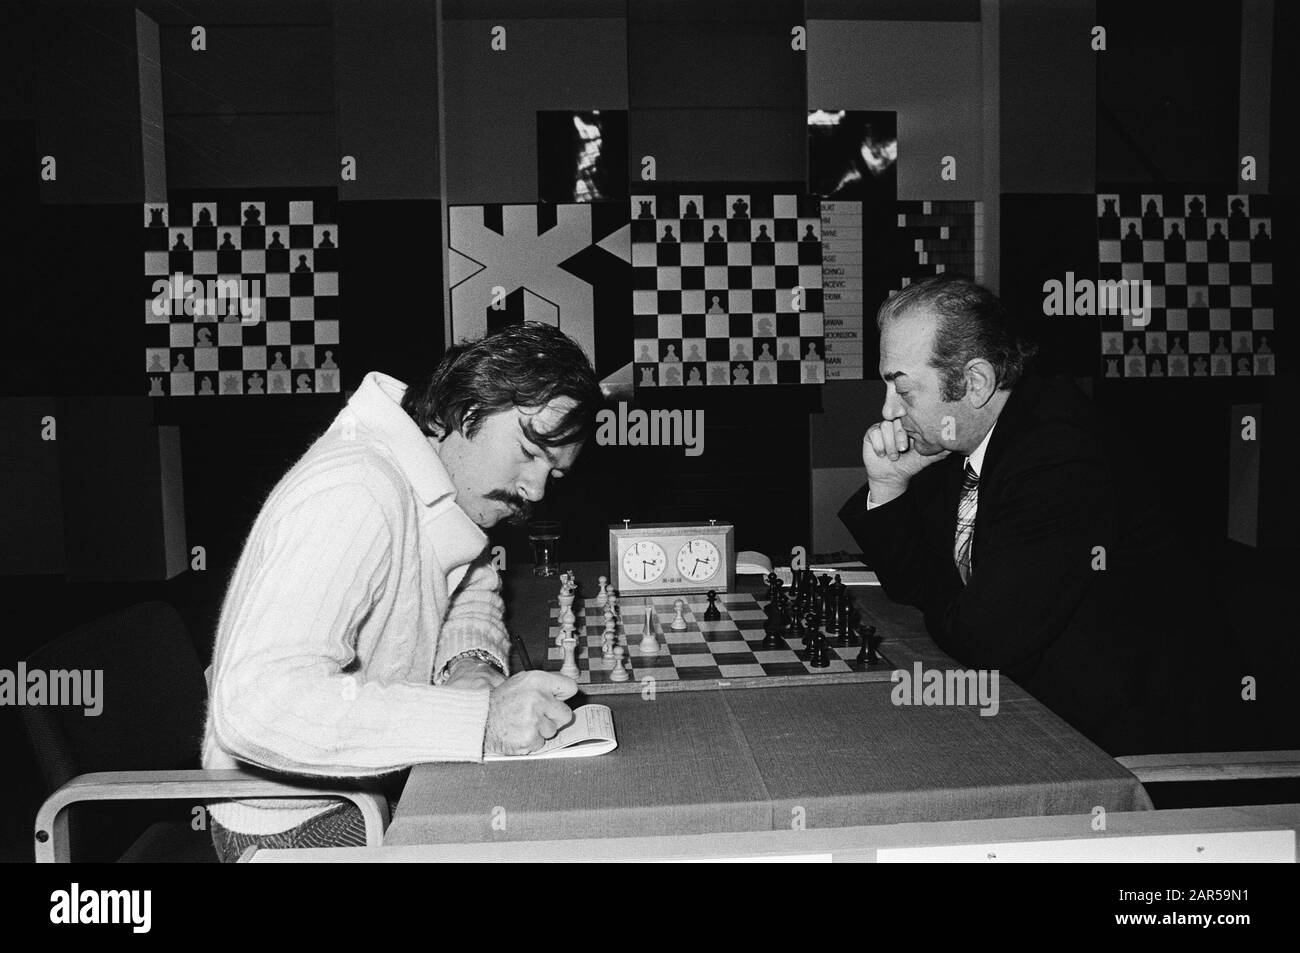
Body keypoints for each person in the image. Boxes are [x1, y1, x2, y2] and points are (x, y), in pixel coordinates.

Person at [202, 322, 601, 860]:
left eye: (553, 474)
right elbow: (258, 707)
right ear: (465, 413)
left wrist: (472, 663)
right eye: (529, 452)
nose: (534, 490)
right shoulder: (355, 490)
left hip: (367, 785)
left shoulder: (438, 485)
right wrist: (481, 719)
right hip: (296, 821)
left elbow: (471, 583)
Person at [838, 275, 1236, 756]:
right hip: (1034, 702)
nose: (887, 411)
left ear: (976, 382)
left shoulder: (1058, 457)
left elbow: (982, 639)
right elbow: (912, 586)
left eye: (904, 390)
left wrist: (947, 599)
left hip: (1121, 743)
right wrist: (889, 485)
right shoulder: (968, 437)